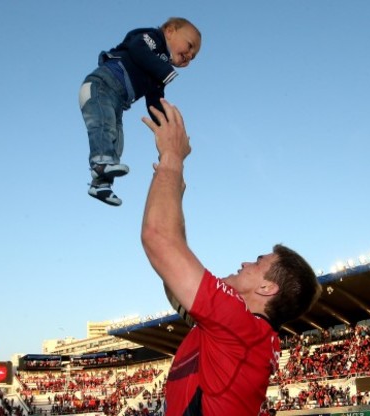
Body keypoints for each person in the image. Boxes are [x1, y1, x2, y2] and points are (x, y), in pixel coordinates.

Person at [141, 99, 322, 416]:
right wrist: (174, 192)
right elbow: (175, 272)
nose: (244, 264)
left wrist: (172, 158)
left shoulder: (238, 326)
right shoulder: (243, 335)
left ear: (267, 288)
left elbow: (159, 239)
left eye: (257, 262)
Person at [79, 17, 201, 206]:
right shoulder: (151, 39)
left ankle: (100, 185)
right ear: (169, 31)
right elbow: (138, 50)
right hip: (100, 86)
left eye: (193, 57)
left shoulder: (157, 74)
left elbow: (154, 101)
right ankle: (101, 163)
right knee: (104, 127)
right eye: (190, 46)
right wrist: (163, 70)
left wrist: (164, 125)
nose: (189, 56)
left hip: (117, 102)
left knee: (116, 139)